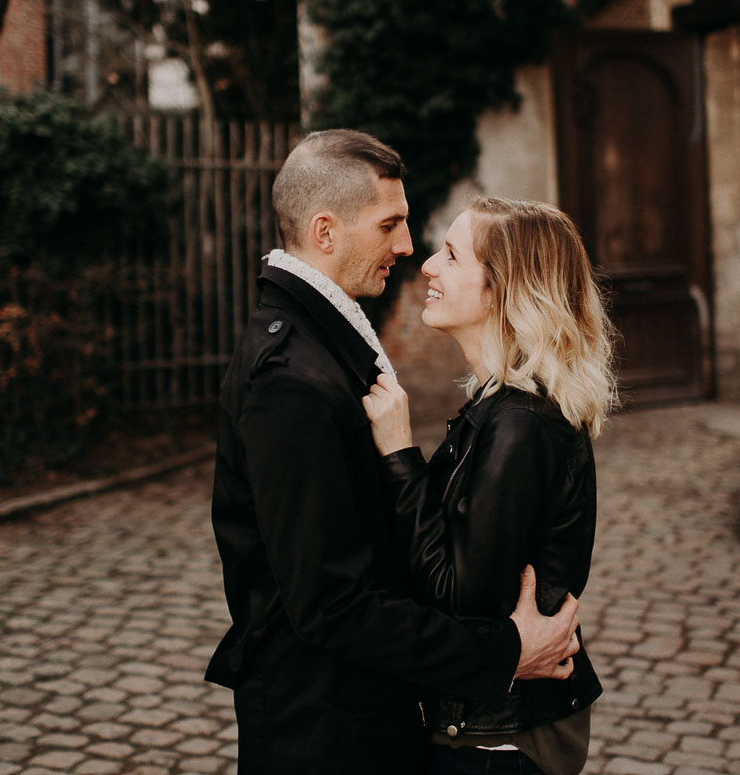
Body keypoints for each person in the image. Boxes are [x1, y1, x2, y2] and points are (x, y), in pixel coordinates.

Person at [206, 131, 583, 775]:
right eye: (392, 224)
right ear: (326, 232)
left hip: (368, 713)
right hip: (321, 732)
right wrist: (503, 655)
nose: (410, 249)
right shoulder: (289, 379)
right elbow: (331, 604)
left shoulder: (328, 347)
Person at [362, 196, 615, 775]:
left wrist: (401, 455)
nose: (427, 266)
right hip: (484, 724)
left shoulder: (521, 423)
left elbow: (457, 592)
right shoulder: (498, 406)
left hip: (499, 741)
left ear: (502, 290)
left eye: (451, 255)